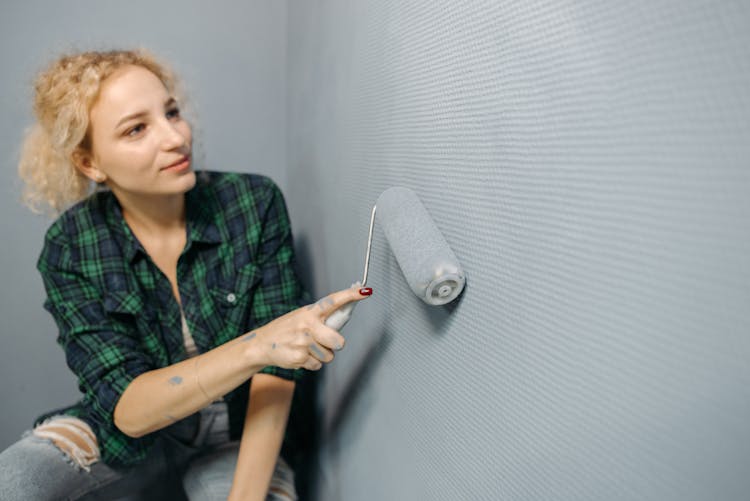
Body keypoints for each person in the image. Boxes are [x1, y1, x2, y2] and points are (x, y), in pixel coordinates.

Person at [0, 48, 372, 500]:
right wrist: (262, 343)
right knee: (14, 482)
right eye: (137, 129)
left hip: (237, 431)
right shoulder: (71, 244)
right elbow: (129, 411)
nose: (175, 137)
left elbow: (277, 376)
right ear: (90, 163)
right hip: (121, 436)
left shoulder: (252, 202)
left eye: (171, 112)